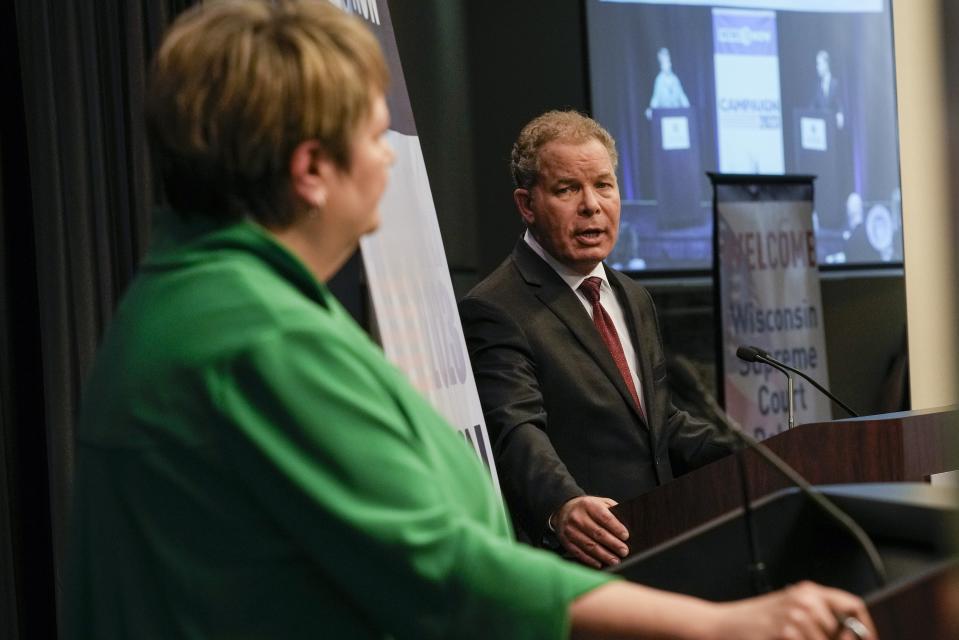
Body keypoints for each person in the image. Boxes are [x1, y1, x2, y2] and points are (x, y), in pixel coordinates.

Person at [66, 2, 876, 639]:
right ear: (312, 170)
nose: (390, 155)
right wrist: (723, 627)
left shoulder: (206, 300)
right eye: (371, 134)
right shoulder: (258, 339)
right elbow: (444, 566)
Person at [459, 110, 733, 568]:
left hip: (663, 538)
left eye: (603, 185)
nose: (592, 205)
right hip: (584, 559)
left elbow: (658, 425)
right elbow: (516, 430)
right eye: (568, 189)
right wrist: (562, 504)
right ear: (527, 204)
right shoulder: (496, 307)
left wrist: (762, 457)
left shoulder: (633, 297)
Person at [645, 47, 690, 120]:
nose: (667, 64)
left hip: (676, 113)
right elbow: (656, 98)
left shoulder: (674, 79)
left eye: (667, 61)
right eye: (664, 61)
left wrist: (688, 109)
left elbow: (681, 95)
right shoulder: (659, 80)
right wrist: (652, 110)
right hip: (664, 114)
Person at [813, 50, 844, 131]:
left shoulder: (836, 83)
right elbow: (813, 105)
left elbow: (840, 103)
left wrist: (840, 115)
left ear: (826, 64)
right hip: (822, 128)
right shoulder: (817, 86)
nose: (817, 67)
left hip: (834, 128)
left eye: (819, 64)